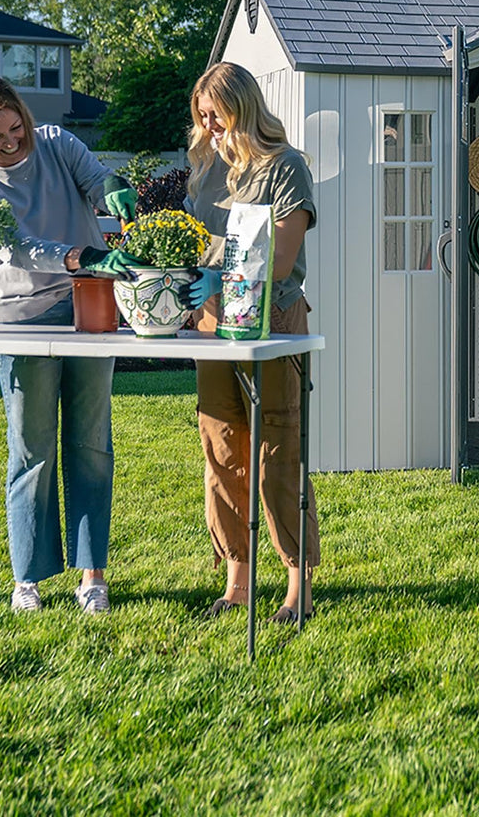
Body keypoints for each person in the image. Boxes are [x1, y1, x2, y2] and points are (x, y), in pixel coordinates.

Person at [0, 74, 139, 615]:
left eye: (15, 128)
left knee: (91, 445)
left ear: (24, 116)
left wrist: (111, 191)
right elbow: (16, 248)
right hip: (22, 318)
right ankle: (28, 579)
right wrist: (81, 256)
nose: (11, 142)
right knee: (32, 450)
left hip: (88, 310)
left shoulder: (56, 141)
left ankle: (92, 577)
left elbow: (95, 176)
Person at [180, 62, 320, 622]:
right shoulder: (208, 169)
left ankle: (297, 582)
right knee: (222, 451)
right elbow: (192, 244)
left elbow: (282, 259)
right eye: (202, 117)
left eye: (216, 114)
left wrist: (222, 268)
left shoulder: (286, 168)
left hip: (274, 321)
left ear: (244, 108)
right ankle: (237, 580)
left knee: (276, 452)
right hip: (214, 324)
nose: (208, 126)